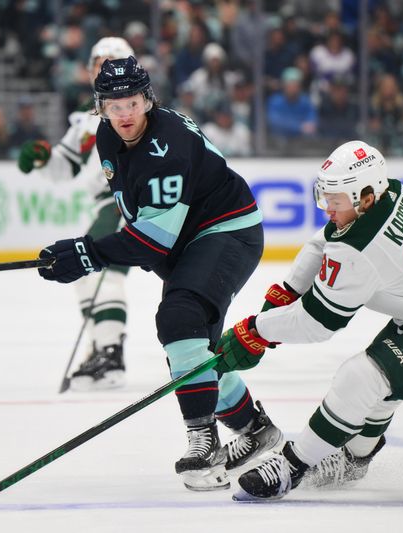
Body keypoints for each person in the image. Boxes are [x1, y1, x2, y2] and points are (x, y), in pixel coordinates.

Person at [213, 140, 403, 501]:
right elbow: (324, 240)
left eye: (335, 200)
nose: (327, 208)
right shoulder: (391, 194)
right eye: (326, 196)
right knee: (385, 380)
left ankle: (292, 465)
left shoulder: (360, 251)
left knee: (363, 377)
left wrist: (256, 330)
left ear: (365, 197)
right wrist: (288, 291)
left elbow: (317, 322)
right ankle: (357, 458)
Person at [36, 56, 277, 491]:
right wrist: (90, 251)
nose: (124, 114)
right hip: (190, 243)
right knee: (192, 347)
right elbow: (140, 218)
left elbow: (152, 241)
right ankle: (256, 430)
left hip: (227, 231)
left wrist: (89, 252)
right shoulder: (108, 137)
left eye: (131, 102)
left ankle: (202, 442)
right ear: (100, 108)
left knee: (179, 319)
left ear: (147, 99)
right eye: (113, 105)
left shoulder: (166, 144)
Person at [16, 37, 135, 390]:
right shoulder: (87, 117)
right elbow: (65, 166)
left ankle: (110, 352)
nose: (101, 67)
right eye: (97, 61)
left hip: (126, 198)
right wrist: (42, 158)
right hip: (106, 201)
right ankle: (104, 346)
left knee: (103, 273)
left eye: (109, 60)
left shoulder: (132, 106)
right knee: (88, 272)